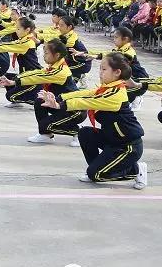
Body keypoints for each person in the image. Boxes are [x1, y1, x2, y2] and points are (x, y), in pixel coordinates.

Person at [38, 52, 148, 190]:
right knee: (85, 133)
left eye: (104, 69)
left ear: (117, 72)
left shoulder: (116, 94)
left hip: (127, 146)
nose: (100, 72)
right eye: (100, 69)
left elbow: (88, 101)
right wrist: (59, 98)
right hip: (112, 140)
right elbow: (84, 93)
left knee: (95, 175)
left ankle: (136, 169)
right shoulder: (107, 88)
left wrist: (60, 106)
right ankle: (96, 168)